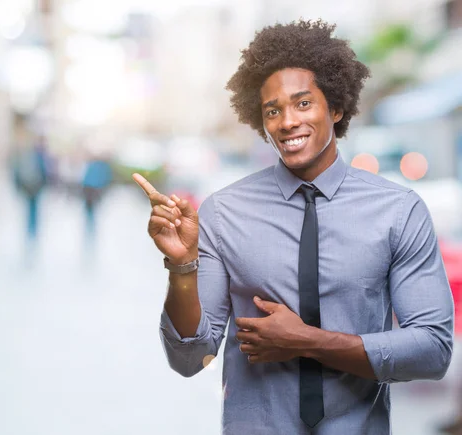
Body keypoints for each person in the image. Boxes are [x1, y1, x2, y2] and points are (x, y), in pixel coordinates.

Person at [133, 20, 453, 435]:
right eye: (272, 109)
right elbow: (191, 359)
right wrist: (182, 267)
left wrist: (306, 341)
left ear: (335, 108)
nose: (287, 121)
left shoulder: (399, 211)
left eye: (303, 103)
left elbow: (433, 350)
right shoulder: (224, 213)